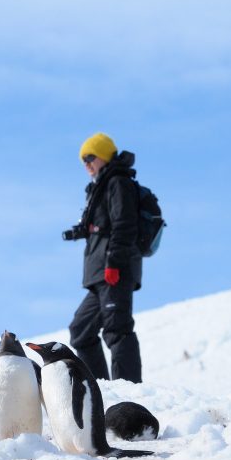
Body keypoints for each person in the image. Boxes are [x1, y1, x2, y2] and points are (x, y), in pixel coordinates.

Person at [63, 132, 142, 384]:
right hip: (100, 273)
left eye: (90, 157)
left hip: (114, 269)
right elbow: (105, 224)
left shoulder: (118, 183)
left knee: (117, 330)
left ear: (104, 155)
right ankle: (100, 388)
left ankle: (128, 390)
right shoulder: (101, 187)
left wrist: (114, 263)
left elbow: (125, 225)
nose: (86, 164)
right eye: (82, 160)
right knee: (80, 330)